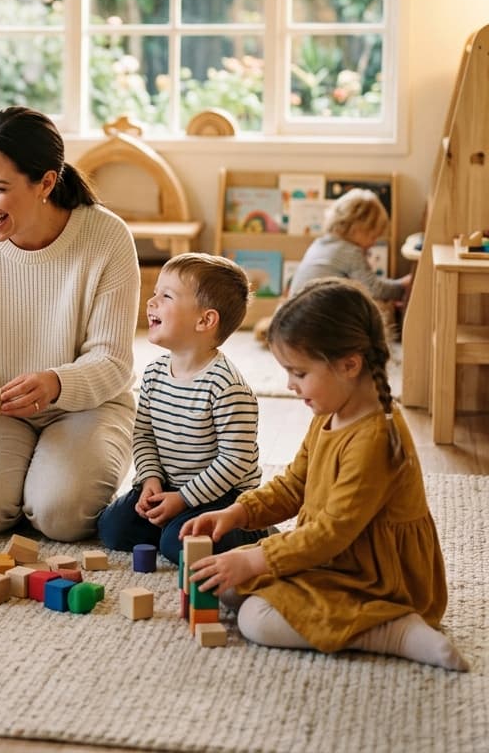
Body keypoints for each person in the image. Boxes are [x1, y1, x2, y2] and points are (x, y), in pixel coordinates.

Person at [182, 278, 468, 671]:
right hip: (331, 553)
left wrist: (256, 562)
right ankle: (321, 604)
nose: (289, 384)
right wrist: (239, 513)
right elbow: (294, 484)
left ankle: (396, 630)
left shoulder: (375, 437)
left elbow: (331, 534)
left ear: (349, 364)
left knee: (255, 619)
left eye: (299, 372)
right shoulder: (330, 412)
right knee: (225, 583)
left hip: (377, 575)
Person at [0, 106, 140, 542]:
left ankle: (41, 485)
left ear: (46, 182)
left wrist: (55, 384)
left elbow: (112, 360)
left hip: (87, 404)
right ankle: (24, 480)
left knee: (61, 516)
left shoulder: (107, 238)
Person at [97, 253, 267, 564]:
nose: (152, 302)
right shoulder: (154, 374)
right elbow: (145, 436)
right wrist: (150, 481)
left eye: (166, 296)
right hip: (171, 484)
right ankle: (169, 525)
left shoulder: (227, 388)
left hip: (223, 494)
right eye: (155, 293)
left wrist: (184, 499)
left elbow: (236, 462)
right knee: (112, 529)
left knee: (179, 547)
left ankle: (253, 531)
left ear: (205, 320)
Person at [290, 187, 411, 302]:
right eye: (373, 236)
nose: (373, 243)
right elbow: (374, 289)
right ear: (357, 229)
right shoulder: (350, 252)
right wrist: (402, 285)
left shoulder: (320, 244)